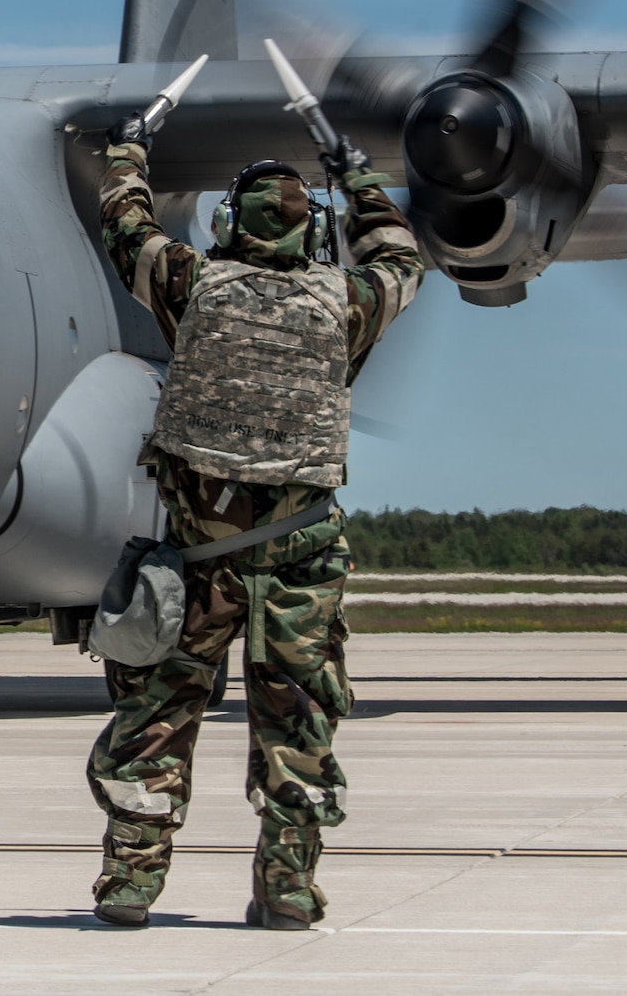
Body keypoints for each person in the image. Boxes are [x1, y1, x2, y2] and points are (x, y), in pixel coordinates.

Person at [88, 110, 424, 930]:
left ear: (228, 224)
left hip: (201, 557)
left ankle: (134, 878)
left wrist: (131, 150)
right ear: (312, 234)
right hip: (303, 562)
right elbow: (403, 258)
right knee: (299, 719)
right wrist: (359, 176)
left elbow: (123, 220)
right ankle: (288, 886)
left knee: (158, 711)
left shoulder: (191, 283)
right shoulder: (345, 300)